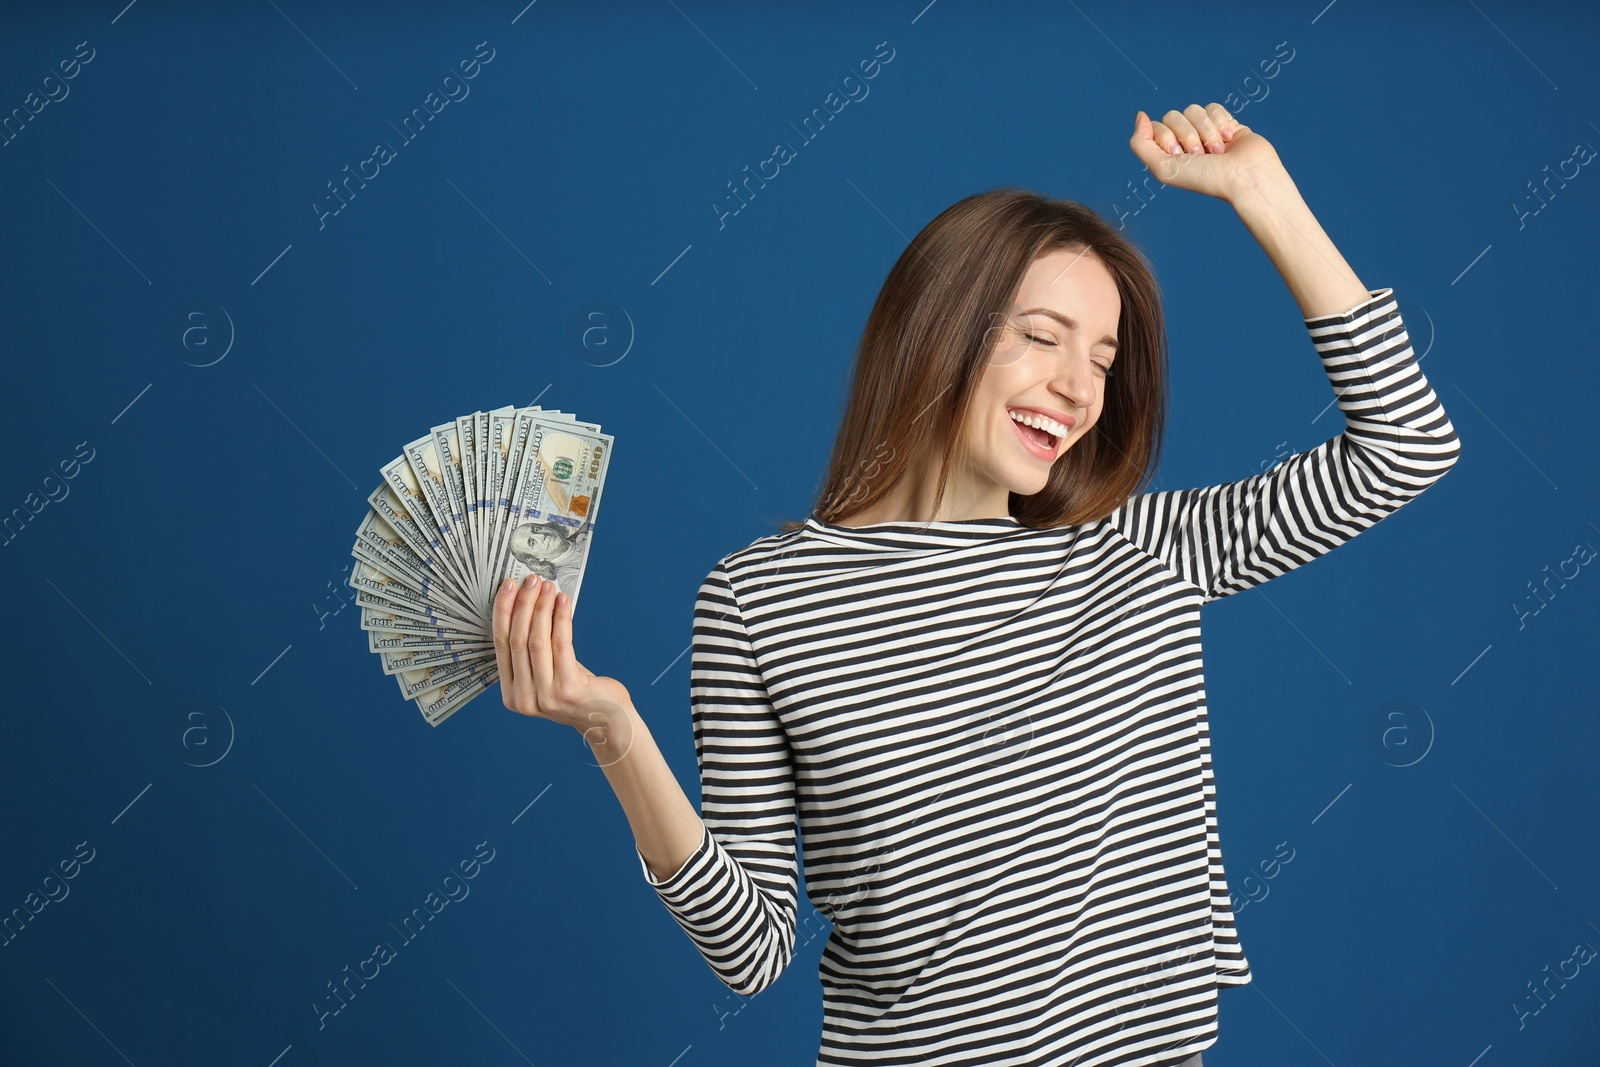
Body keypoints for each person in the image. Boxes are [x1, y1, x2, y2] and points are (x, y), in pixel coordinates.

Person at [489, 103, 1462, 1067]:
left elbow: (1403, 445)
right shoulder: (760, 598)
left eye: (1103, 358)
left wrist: (1262, 191)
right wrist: (615, 733)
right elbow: (752, 951)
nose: (1081, 389)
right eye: (1043, 336)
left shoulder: (1140, 551)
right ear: (939, 329)